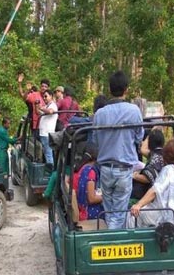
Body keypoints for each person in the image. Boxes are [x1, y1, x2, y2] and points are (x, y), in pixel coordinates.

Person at [92, 71, 144, 229]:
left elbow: (95, 140)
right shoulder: (134, 111)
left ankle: (110, 239)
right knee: (120, 213)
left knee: (109, 211)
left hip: (106, 169)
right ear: (126, 89)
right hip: (124, 169)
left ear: (109, 89)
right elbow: (139, 137)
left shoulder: (99, 114)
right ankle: (115, 244)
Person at [128, 140, 174, 228]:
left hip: (164, 214)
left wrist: (139, 204)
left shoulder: (169, 170)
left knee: (133, 215)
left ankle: (134, 240)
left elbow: (154, 191)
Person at [131, 129, 165, 204]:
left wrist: (135, 176)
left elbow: (148, 178)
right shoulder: (161, 153)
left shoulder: (155, 157)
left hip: (147, 195)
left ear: (150, 143)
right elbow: (143, 149)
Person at [71, 142, 103, 220]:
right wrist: (107, 197)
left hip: (80, 207)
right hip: (87, 212)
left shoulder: (79, 168)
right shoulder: (90, 172)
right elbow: (91, 199)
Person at [37, 89, 58, 170]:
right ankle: (50, 171)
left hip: (47, 133)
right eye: (43, 97)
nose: (44, 98)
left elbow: (50, 112)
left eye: (46, 96)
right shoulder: (46, 106)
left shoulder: (53, 105)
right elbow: (39, 113)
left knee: (48, 154)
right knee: (46, 153)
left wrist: (41, 108)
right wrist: (37, 106)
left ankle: (51, 172)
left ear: (51, 96)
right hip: (43, 133)